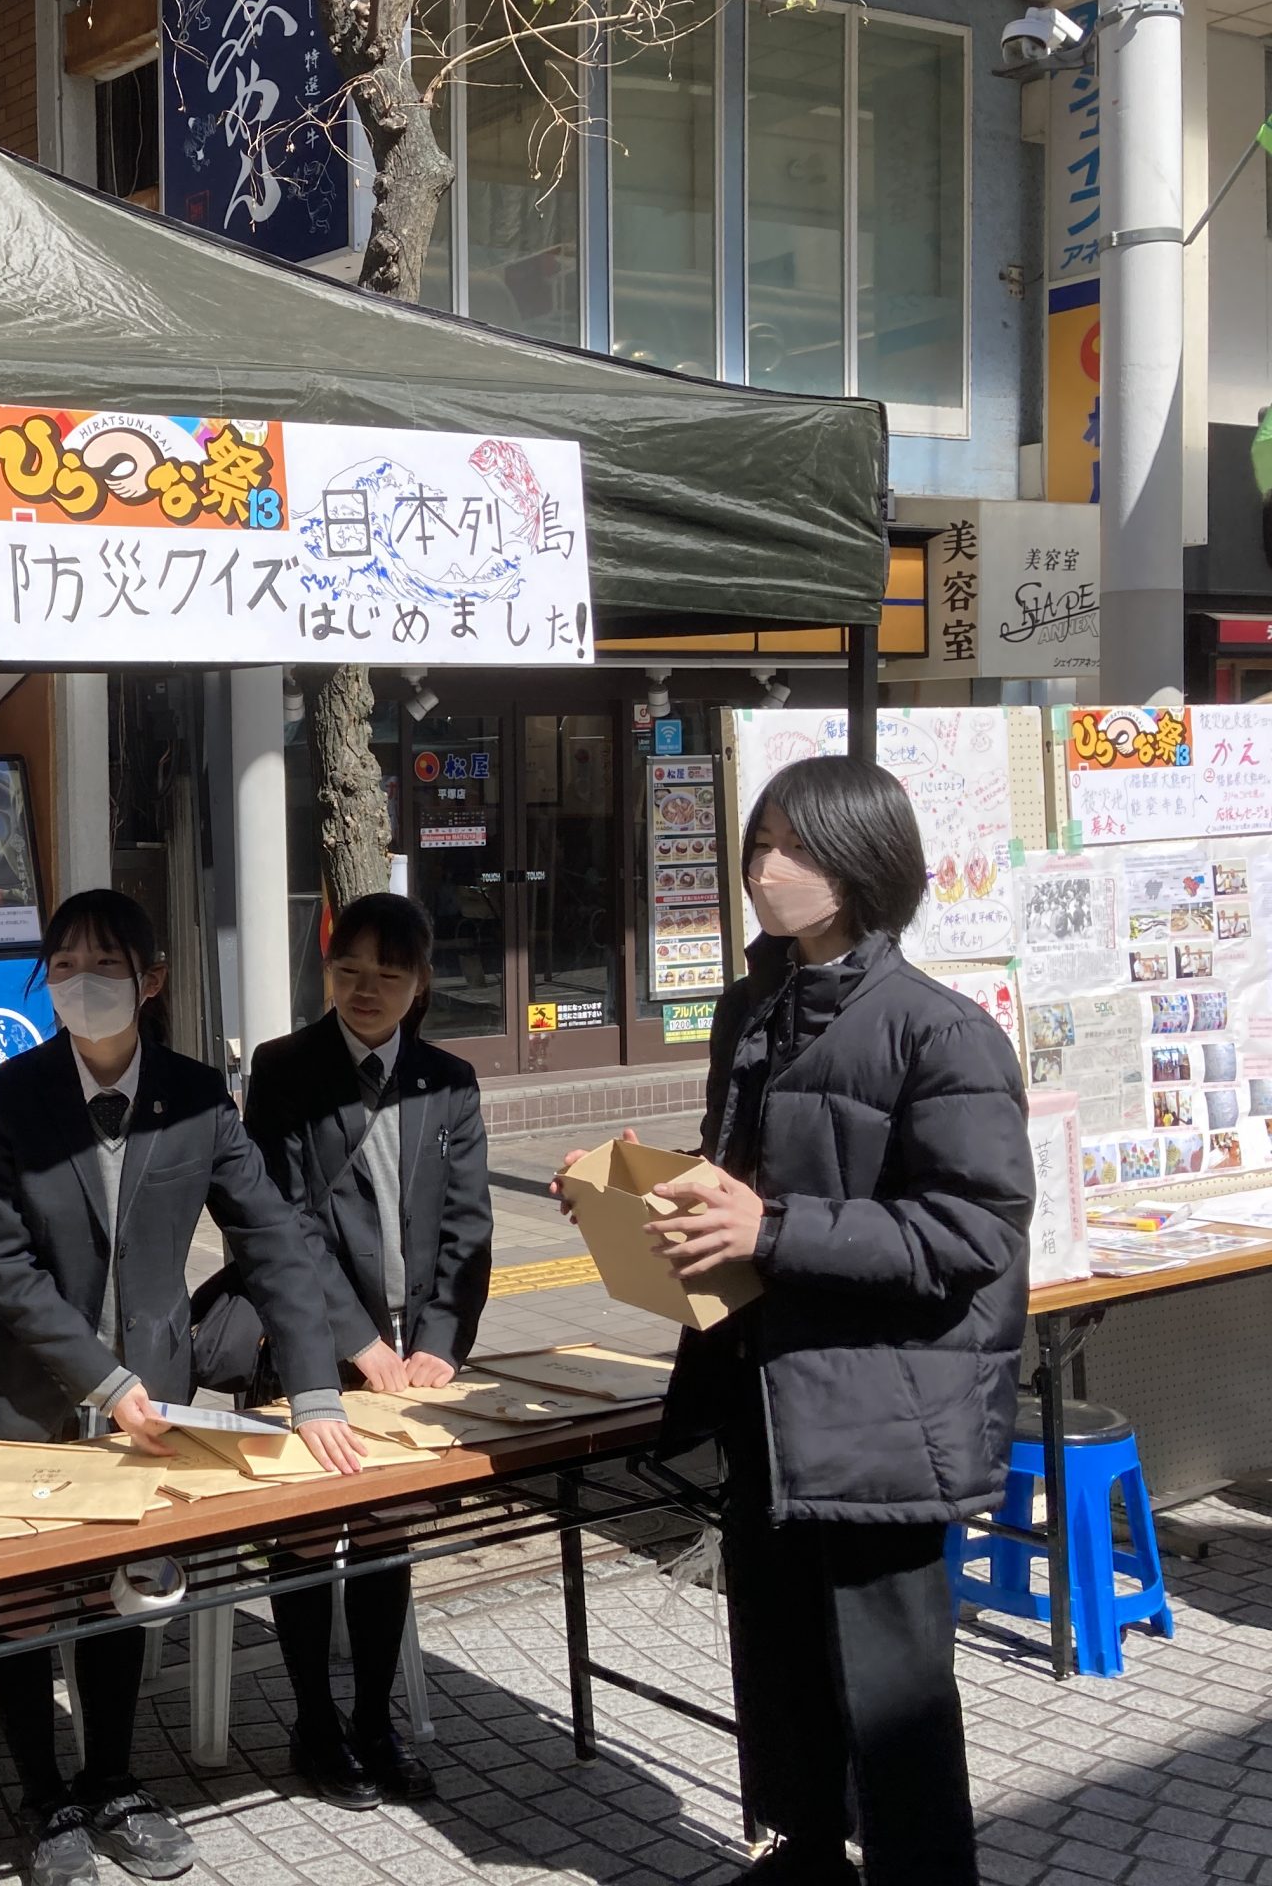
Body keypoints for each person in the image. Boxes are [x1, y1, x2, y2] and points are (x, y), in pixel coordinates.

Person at [558, 756, 1032, 1885]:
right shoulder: (751, 1006)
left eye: (796, 848)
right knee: (776, 1663)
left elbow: (973, 1231)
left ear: (864, 862)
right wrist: (640, 1191)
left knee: (893, 1693)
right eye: (759, 843)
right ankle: (802, 1854)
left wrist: (770, 1231)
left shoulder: (941, 1033)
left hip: (880, 1414)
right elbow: (742, 1184)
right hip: (759, 1393)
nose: (765, 869)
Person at [0, 889, 365, 1886]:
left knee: (121, 1590)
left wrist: (315, 1390)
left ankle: (113, 1780)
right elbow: (6, 1268)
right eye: (64, 964)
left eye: (105, 963)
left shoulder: (198, 1097)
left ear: (152, 979)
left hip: (148, 1401)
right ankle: (43, 1799)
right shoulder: (5, 1095)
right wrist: (104, 1378)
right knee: (22, 1600)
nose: (81, 981)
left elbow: (272, 1239)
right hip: (21, 1393)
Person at [245, 891, 490, 1811]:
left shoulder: (449, 1080)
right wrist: (356, 1342)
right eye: (348, 971)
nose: (365, 990)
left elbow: (468, 1227)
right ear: (328, 972)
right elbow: (279, 1223)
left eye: (388, 974)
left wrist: (439, 1346)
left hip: (411, 1355)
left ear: (421, 983)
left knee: (388, 1534)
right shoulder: (283, 1068)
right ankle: (314, 1723)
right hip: (311, 1344)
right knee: (308, 1534)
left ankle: (376, 1720)